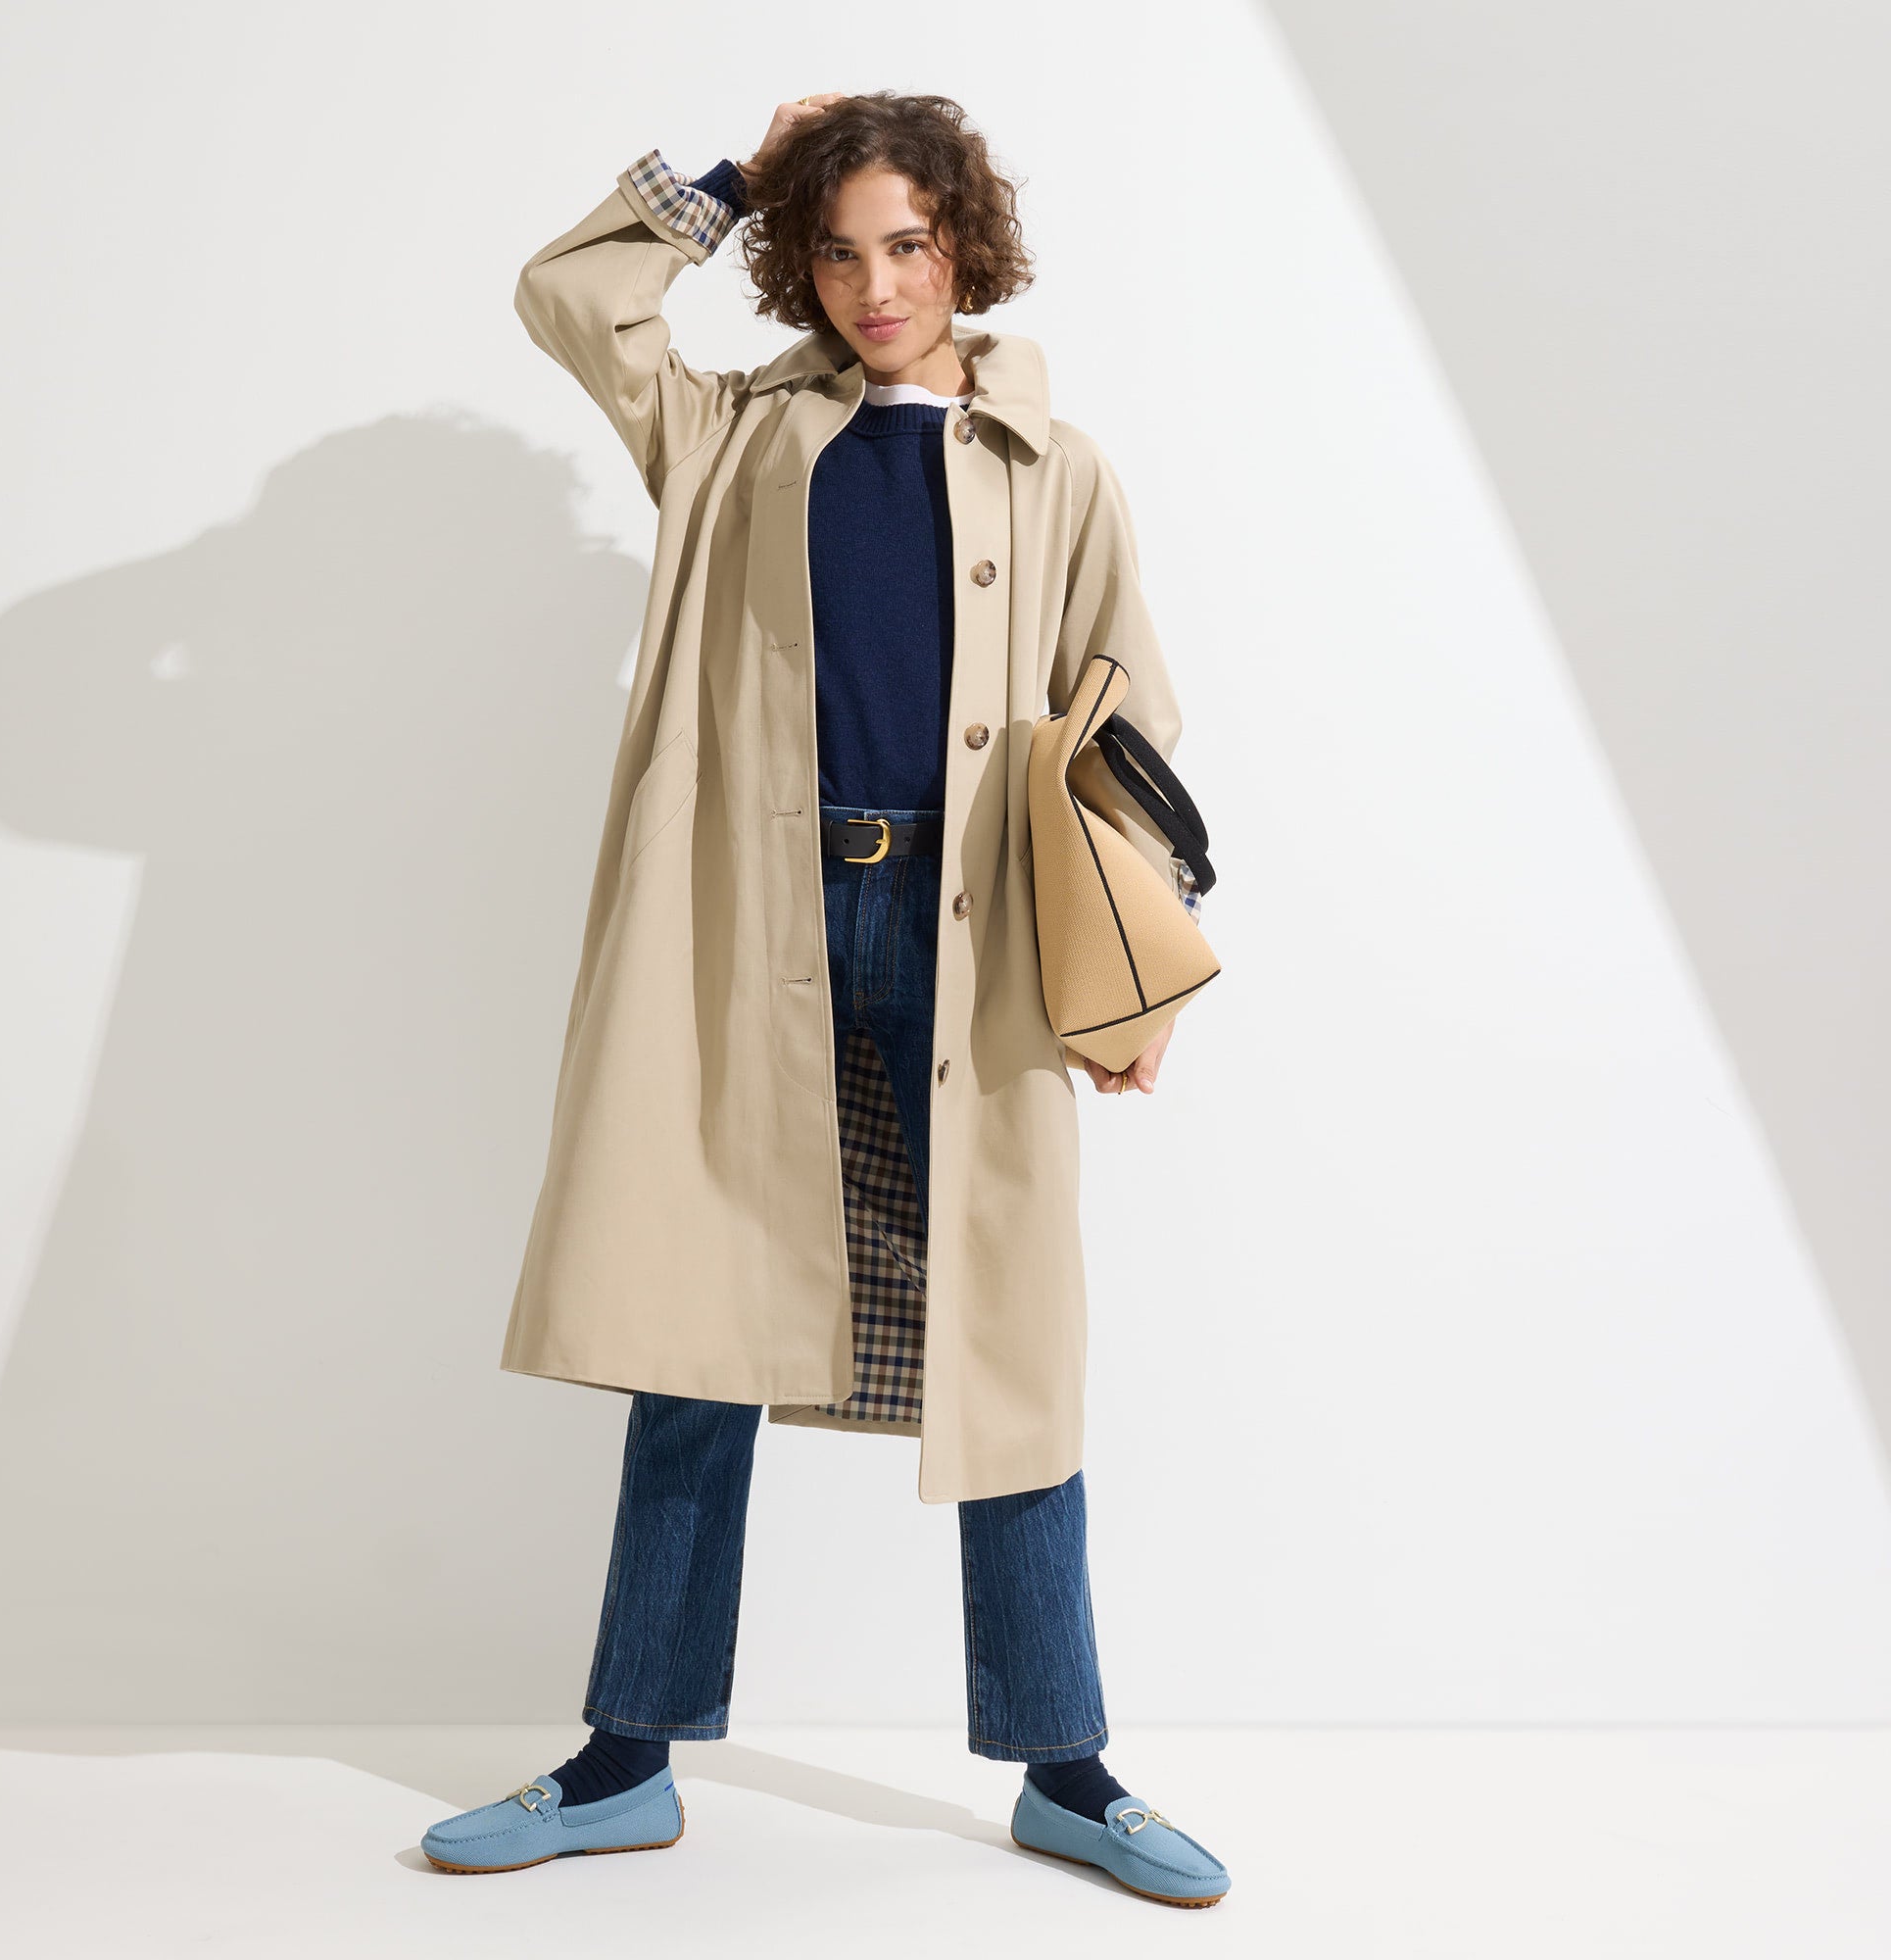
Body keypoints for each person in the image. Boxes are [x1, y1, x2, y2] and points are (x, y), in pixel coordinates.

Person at [421, 92, 1228, 1909]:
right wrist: (730, 175)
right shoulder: (731, 438)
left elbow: (1127, 731)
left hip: (974, 940)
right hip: (755, 929)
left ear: (964, 250)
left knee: (1008, 1354)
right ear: (803, 262)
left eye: (909, 247)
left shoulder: (1057, 465)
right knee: (693, 1339)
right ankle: (626, 1760)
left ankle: (1067, 1770)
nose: (877, 287)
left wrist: (1128, 980)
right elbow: (571, 299)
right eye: (841, 250)